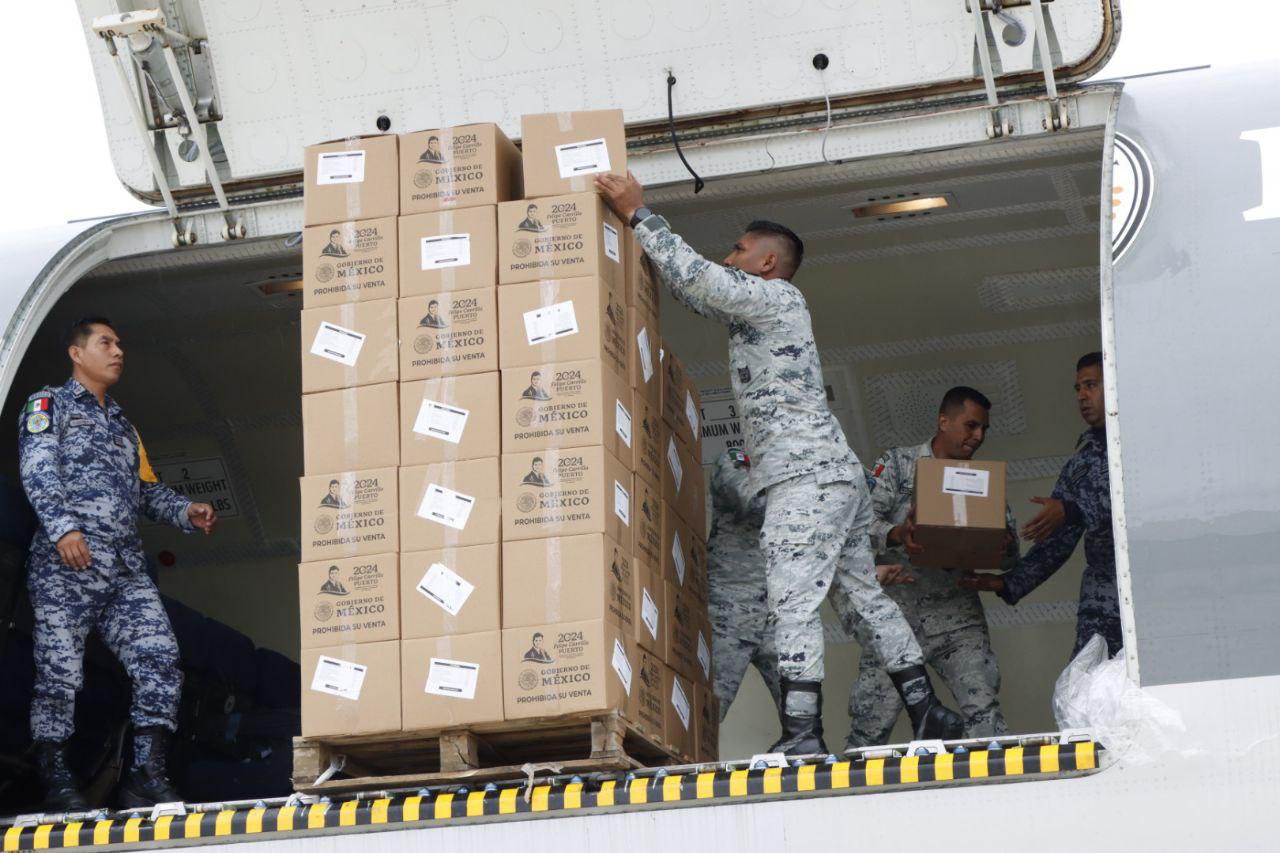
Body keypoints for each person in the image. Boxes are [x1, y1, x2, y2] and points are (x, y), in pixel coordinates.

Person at [597, 172, 963, 754]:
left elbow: (699, 277)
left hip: (805, 479)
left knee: (791, 599)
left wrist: (639, 214)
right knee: (863, 599)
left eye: (740, 249)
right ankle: (929, 711)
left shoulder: (777, 298)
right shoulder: (761, 309)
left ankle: (802, 733)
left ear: (768, 264)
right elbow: (694, 291)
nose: (730, 256)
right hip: (829, 475)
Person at [20, 317, 218, 810]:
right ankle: (56, 779)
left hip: (124, 571)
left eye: (120, 344)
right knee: (59, 675)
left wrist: (185, 512)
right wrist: (64, 528)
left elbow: (145, 491)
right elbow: (37, 466)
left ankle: (146, 775)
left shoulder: (124, 426)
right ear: (76, 352)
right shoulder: (50, 405)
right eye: (105, 343)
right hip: (68, 566)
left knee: (159, 660)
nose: (117, 351)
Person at [845, 387, 1018, 748]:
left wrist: (1001, 548)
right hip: (895, 619)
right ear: (944, 421)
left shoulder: (982, 482)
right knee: (870, 727)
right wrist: (896, 534)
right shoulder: (898, 464)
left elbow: (1009, 555)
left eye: (984, 429)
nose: (978, 436)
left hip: (957, 618)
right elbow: (857, 527)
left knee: (983, 712)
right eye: (971, 425)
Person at [960, 352, 1121, 657]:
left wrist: (1073, 511)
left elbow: (1145, 505)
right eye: (1078, 389)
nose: (1082, 396)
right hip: (1103, 603)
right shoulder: (1083, 459)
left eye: (1091, 385)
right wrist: (1009, 582)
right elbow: (1058, 541)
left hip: (1158, 598)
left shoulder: (1147, 442)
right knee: (1086, 693)